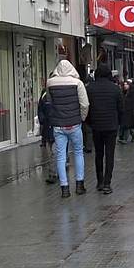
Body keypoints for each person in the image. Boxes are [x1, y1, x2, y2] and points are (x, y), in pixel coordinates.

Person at [46, 60, 89, 198]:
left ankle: (64, 188)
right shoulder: (78, 83)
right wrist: (81, 118)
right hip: (75, 124)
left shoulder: (50, 83)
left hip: (58, 126)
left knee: (60, 156)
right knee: (78, 152)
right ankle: (79, 184)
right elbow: (85, 104)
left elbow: (50, 101)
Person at [86, 63, 123, 194]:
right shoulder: (115, 89)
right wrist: (119, 122)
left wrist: (90, 122)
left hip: (96, 126)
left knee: (99, 154)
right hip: (111, 126)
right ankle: (107, 183)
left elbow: (87, 107)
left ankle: (99, 181)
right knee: (109, 155)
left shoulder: (90, 88)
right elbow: (120, 108)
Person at [38, 83, 57, 184]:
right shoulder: (45, 94)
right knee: (53, 150)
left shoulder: (59, 92)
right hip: (49, 126)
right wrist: (43, 120)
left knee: (56, 150)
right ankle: (54, 172)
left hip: (58, 126)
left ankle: (54, 172)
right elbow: (40, 108)